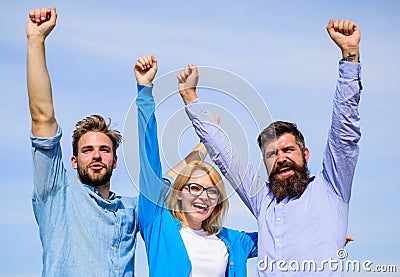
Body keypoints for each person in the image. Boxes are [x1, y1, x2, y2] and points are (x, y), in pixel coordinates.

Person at [178, 19, 362, 276]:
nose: (281, 158)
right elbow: (225, 156)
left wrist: (350, 57)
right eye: (272, 154)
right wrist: (190, 97)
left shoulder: (331, 188)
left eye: (288, 150)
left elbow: (344, 134)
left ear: (305, 154)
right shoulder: (263, 201)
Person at [27, 8, 138, 276]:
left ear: (115, 160)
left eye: (104, 150)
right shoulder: (57, 193)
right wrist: (36, 41)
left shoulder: (130, 210)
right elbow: (42, 118)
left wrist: (202, 149)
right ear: (74, 161)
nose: (97, 155)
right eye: (87, 150)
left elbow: (168, 184)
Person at [134, 55, 258, 276]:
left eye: (212, 192)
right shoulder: (158, 224)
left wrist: (324, 230)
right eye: (195, 188)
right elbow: (149, 159)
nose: (204, 197)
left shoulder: (233, 241)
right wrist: (145, 90)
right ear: (179, 193)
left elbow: (281, 230)